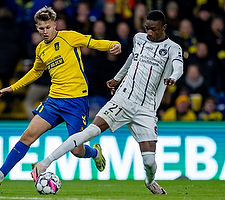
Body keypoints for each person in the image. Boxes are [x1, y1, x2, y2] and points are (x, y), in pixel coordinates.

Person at [31, 10, 183, 195]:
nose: (149, 33)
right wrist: (117, 78)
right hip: (122, 100)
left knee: (149, 162)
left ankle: (150, 181)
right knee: (88, 133)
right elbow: (131, 59)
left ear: (164, 28)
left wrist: (173, 77)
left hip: (146, 109)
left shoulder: (172, 48)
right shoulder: (139, 38)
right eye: (147, 28)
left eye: (154, 29)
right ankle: (44, 163)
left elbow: (179, 66)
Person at [0, 6, 121, 188]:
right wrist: (12, 87)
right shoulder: (41, 50)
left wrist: (113, 44)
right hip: (54, 101)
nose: (44, 31)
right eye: (40, 28)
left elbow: (92, 43)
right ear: (36, 28)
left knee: (77, 151)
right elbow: (35, 72)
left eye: (47, 27)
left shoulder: (68, 37)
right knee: (27, 136)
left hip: (76, 102)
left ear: (55, 25)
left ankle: (94, 153)